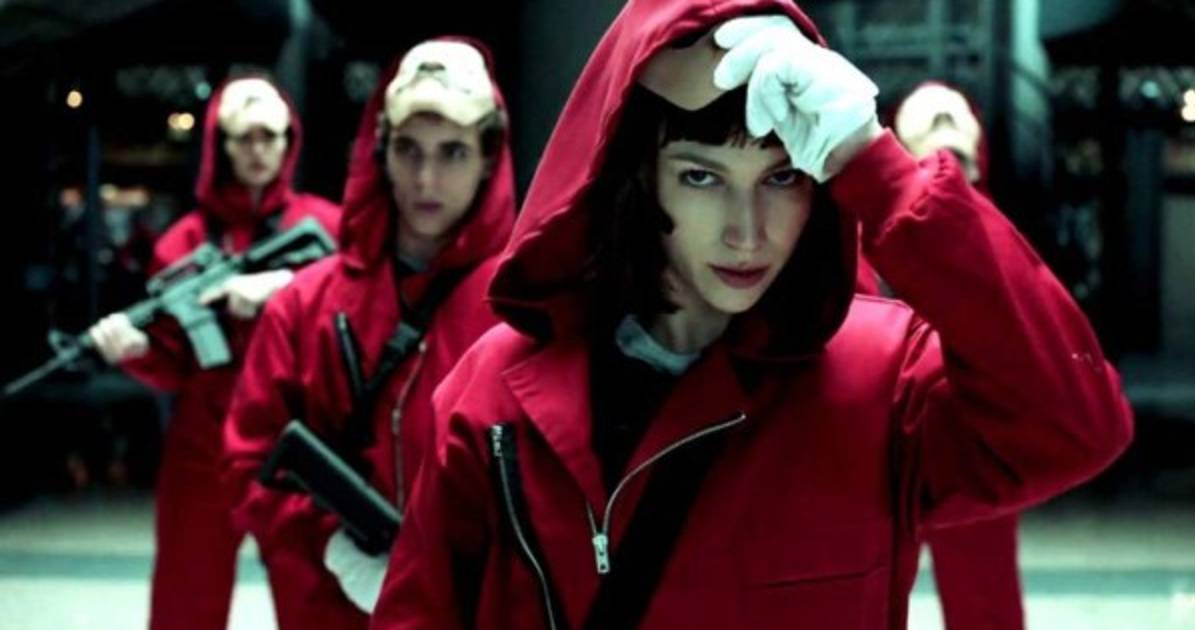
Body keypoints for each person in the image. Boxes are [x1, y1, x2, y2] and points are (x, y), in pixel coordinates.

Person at [371, 1, 1133, 628]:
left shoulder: (882, 380)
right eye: (701, 177)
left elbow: (1075, 425)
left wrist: (879, 167)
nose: (747, 231)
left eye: (781, 178)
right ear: (639, 177)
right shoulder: (496, 397)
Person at [222, 38, 515, 629]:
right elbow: (248, 462)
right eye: (408, 149)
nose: (426, 178)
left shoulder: (524, 311)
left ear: (489, 157)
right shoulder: (304, 306)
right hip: (330, 607)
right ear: (382, 149)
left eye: (453, 151)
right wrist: (329, 542)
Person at [87, 76, 340, 630]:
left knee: (316, 601)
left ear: (289, 141)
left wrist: (283, 288)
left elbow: (356, 309)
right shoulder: (183, 243)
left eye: (269, 136)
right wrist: (133, 351)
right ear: (220, 145)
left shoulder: (325, 225)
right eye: (243, 137)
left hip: (300, 440)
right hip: (204, 443)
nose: (257, 150)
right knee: (187, 599)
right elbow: (173, 361)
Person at [892, 80, 1024, 630]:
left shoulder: (996, 236)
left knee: (983, 591)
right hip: (887, 429)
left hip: (970, 430)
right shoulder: (871, 230)